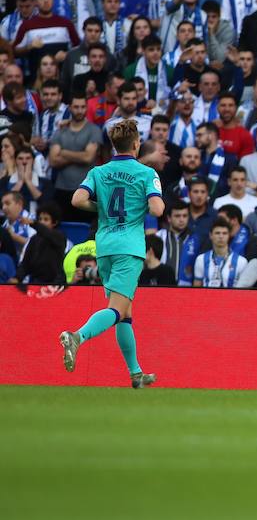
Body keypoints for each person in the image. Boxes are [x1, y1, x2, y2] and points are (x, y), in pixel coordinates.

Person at [58, 119, 165, 388]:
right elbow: (157, 210)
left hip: (104, 246)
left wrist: (102, 207)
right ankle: (77, 337)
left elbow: (77, 200)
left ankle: (136, 374)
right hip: (129, 248)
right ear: (137, 144)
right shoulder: (145, 173)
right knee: (117, 310)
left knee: (125, 313)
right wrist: (142, 202)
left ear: (114, 145)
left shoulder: (99, 171)